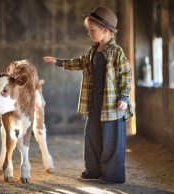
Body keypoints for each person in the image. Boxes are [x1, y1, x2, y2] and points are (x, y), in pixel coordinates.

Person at [43, 6, 133, 184]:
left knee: (111, 140)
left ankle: (112, 175)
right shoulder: (93, 50)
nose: (89, 33)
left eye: (92, 30)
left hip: (112, 105)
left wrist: (124, 97)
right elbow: (79, 63)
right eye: (89, 30)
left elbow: (127, 74)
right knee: (92, 136)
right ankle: (93, 171)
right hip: (94, 103)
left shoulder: (116, 52)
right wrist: (59, 62)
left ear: (105, 30)